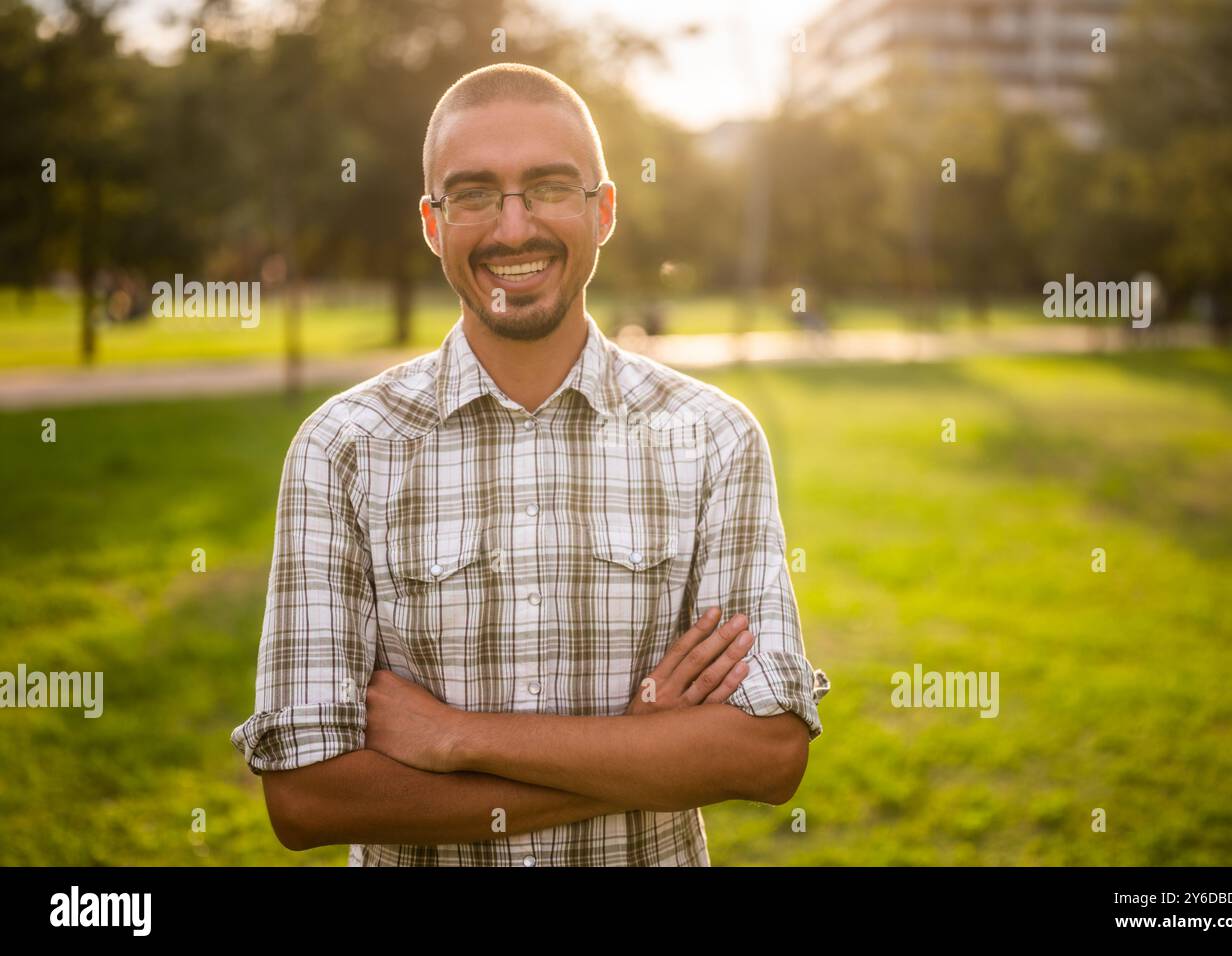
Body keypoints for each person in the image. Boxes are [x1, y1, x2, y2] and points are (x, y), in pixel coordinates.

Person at [230, 63, 829, 866]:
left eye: (548, 187)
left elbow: (765, 754)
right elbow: (306, 796)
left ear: (604, 209)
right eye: (474, 194)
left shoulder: (713, 438)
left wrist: (455, 738)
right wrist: (639, 750)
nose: (514, 230)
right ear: (432, 223)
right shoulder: (343, 449)